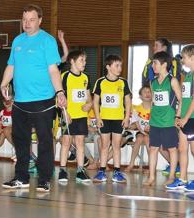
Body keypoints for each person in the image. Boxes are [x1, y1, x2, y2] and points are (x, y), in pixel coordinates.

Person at [0, 4, 66, 192]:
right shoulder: (17, 41)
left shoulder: (48, 41)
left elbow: (53, 70)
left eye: (31, 20)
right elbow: (11, 66)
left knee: (45, 140)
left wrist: (60, 92)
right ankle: (21, 177)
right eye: (24, 20)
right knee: (20, 140)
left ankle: (44, 178)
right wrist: (3, 84)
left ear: (40, 20)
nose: (27, 23)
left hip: (43, 100)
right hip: (20, 101)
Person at [143, 51, 181, 187]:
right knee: (153, 149)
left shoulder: (173, 81)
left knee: (171, 149)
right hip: (155, 122)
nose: (153, 65)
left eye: (155, 63)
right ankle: (151, 177)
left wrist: (177, 117)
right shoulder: (152, 82)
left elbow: (180, 101)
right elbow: (153, 102)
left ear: (164, 64)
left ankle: (171, 176)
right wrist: (149, 121)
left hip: (168, 121)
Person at [92, 55, 131, 183]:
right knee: (104, 145)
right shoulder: (100, 82)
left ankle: (117, 172)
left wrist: (126, 117)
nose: (120, 68)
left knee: (116, 145)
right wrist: (98, 118)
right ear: (108, 67)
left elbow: (128, 101)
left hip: (118, 119)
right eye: (117, 65)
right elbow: (96, 101)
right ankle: (101, 171)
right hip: (104, 119)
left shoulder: (123, 82)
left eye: (120, 65)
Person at [58, 50, 92, 183]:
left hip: (82, 116)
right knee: (66, 142)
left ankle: (80, 171)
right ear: (72, 61)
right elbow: (60, 97)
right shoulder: (65, 76)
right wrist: (65, 112)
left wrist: (89, 104)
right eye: (81, 60)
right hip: (68, 115)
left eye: (85, 60)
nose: (84, 63)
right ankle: (62, 170)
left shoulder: (86, 77)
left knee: (80, 143)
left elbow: (88, 97)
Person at [168, 45, 194, 190]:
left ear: (192, 57)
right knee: (182, 149)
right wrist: (179, 116)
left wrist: (186, 118)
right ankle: (182, 179)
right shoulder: (188, 75)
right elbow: (184, 98)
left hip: (192, 118)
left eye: (184, 57)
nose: (182, 60)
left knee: (193, 150)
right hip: (185, 118)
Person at [125, 86, 152, 172]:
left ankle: (151, 167)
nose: (147, 93)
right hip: (141, 131)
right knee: (139, 138)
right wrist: (141, 131)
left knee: (147, 139)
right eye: (145, 92)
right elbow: (136, 123)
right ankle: (131, 164)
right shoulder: (136, 108)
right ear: (140, 96)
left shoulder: (155, 107)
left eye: (149, 91)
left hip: (153, 132)